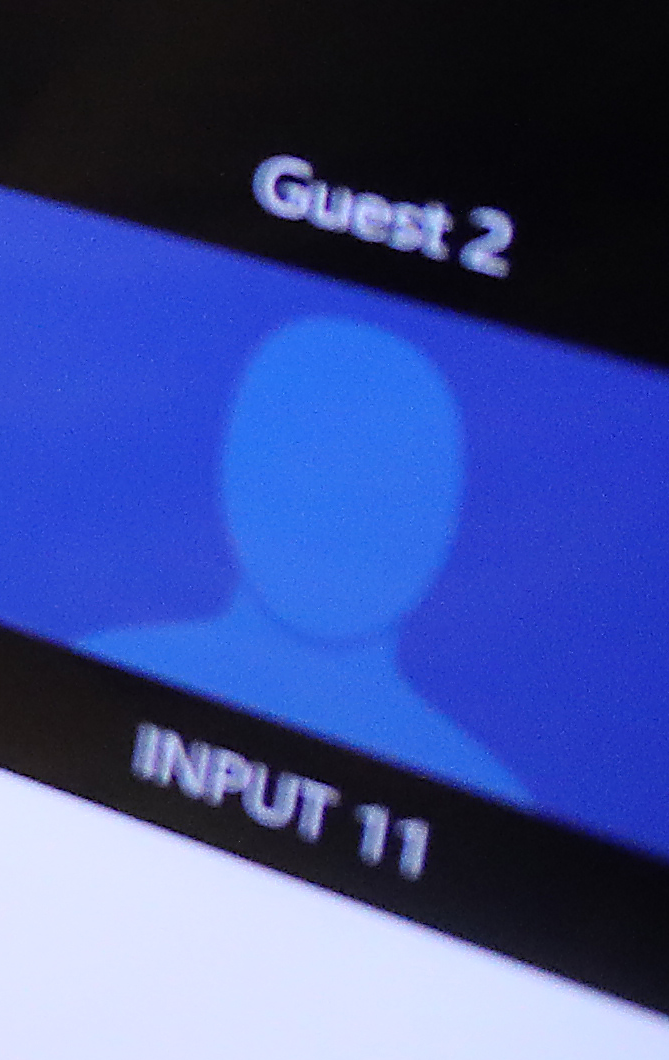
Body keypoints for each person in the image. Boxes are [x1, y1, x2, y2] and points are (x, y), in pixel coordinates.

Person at [81, 319, 524, 796]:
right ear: (235, 477)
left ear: (447, 518)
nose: (341, 514)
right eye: (310, 463)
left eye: (388, 482)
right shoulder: (92, 679)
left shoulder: (480, 789)